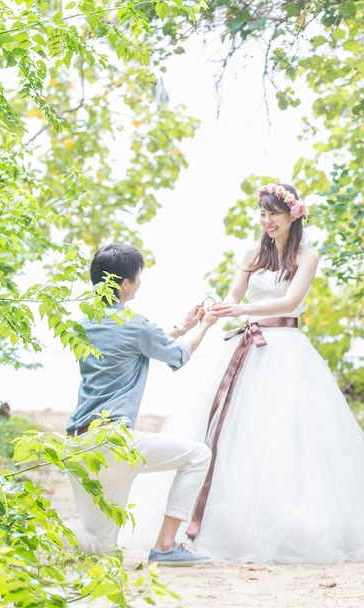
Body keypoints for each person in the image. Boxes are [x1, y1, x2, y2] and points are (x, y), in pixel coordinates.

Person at [167, 183, 364, 563]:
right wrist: (217, 309)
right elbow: (235, 297)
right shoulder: (252, 253)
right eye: (262, 213)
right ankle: (223, 520)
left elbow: (290, 301)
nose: (267, 221)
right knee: (239, 431)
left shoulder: (308, 255)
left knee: (287, 432)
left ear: (293, 216)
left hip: (284, 348)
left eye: (274, 213)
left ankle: (289, 518)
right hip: (244, 347)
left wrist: (241, 313)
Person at [65, 242, 217, 566]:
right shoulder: (134, 323)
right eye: (138, 276)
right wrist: (204, 326)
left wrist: (184, 326)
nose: (139, 282)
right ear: (124, 283)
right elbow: (175, 355)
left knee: (100, 544)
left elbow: (142, 343)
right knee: (198, 456)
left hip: (77, 444)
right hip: (112, 441)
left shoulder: (81, 323)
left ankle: (38, 531)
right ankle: (165, 545)